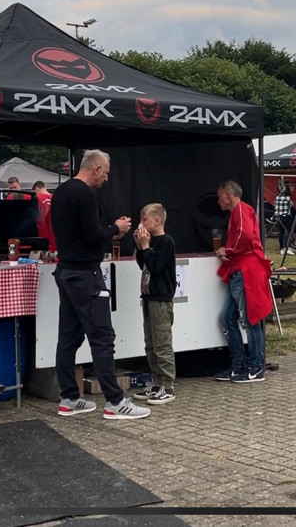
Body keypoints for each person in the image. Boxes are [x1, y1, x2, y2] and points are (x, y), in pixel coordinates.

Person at [50, 150, 149, 420]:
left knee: (68, 338)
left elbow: (78, 235)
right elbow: (93, 238)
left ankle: (69, 398)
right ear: (95, 169)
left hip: (66, 271)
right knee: (102, 338)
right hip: (86, 274)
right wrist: (116, 229)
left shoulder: (60, 192)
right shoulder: (86, 195)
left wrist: (106, 233)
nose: (106, 179)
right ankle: (115, 402)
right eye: (105, 173)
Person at [214, 180, 273, 383]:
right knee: (227, 318)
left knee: (249, 320)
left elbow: (245, 235)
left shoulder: (240, 210)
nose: (218, 201)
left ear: (228, 195)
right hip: (241, 269)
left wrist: (228, 250)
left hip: (245, 270)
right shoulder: (241, 211)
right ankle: (239, 365)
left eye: (220, 196)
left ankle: (255, 367)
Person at [132, 203, 177, 405]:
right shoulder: (149, 242)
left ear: (157, 221)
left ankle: (168, 385)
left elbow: (156, 266)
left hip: (161, 298)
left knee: (162, 343)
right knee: (150, 343)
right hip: (148, 297)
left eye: (145, 220)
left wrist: (146, 247)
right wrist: (140, 246)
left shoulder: (166, 242)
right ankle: (157, 381)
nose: (141, 224)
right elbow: (144, 265)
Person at [32, 181, 56, 253]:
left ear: (37, 189)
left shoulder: (38, 198)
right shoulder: (55, 197)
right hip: (56, 232)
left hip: (43, 233)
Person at [274, 185, 295, 255]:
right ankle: (287, 247)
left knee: (281, 232)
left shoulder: (277, 197)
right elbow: (291, 206)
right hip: (287, 216)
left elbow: (275, 205)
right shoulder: (288, 198)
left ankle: (282, 248)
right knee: (288, 232)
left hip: (279, 217)